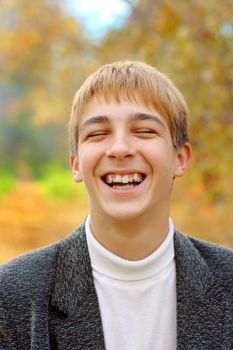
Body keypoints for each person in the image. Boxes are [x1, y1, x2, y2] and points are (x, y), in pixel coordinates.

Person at [0, 61, 233, 350]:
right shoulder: (11, 297)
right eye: (97, 134)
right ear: (75, 164)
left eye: (145, 131)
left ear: (180, 158)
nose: (120, 149)